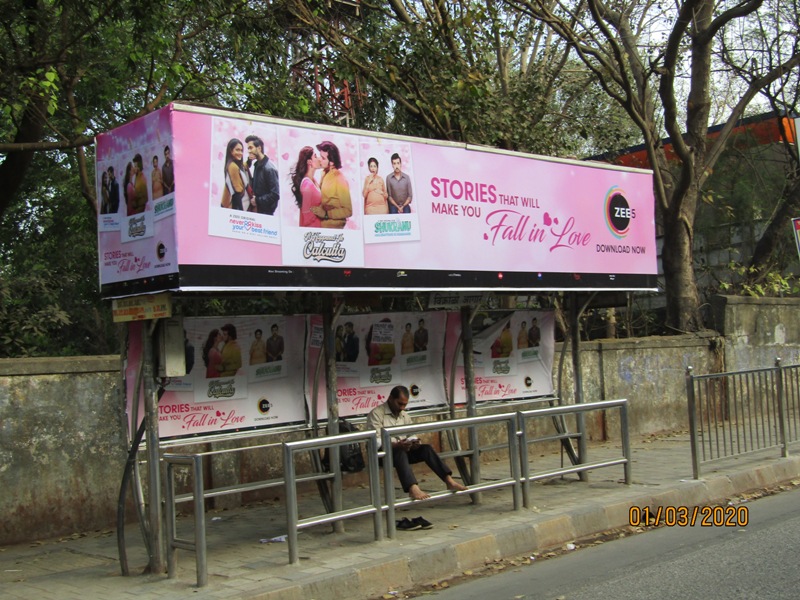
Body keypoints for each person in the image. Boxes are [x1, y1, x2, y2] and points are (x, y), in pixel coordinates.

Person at [368, 385, 467, 500]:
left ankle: (449, 481)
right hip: (383, 455)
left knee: (426, 449)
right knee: (400, 452)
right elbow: (376, 442)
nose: (402, 408)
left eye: (405, 405)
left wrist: (414, 442)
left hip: (404, 451)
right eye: (399, 404)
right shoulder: (376, 414)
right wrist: (396, 445)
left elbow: (411, 434)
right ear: (390, 398)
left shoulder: (404, 415)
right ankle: (413, 488)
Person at [310, 140, 352, 228]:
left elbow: (348, 211)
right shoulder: (324, 173)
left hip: (333, 227)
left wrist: (326, 214)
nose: (319, 159)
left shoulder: (339, 178)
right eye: (320, 156)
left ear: (332, 162)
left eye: (323, 158)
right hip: (322, 224)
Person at [246, 135, 280, 215]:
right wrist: (249, 162)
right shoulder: (257, 165)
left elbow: (275, 195)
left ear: (259, 148)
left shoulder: (270, 169)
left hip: (266, 214)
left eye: (251, 148)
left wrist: (257, 200)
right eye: (248, 148)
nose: (249, 151)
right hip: (258, 211)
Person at [290, 146, 323, 227]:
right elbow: (306, 215)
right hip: (312, 230)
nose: (319, 159)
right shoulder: (307, 185)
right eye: (315, 156)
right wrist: (324, 214)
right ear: (309, 162)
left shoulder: (313, 181)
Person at [220, 138, 251, 211]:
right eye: (237, 150)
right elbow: (237, 193)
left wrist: (249, 160)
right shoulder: (233, 166)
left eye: (241, 150)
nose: (240, 153)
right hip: (236, 207)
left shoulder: (237, 165)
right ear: (231, 151)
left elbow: (244, 166)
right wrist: (240, 213)